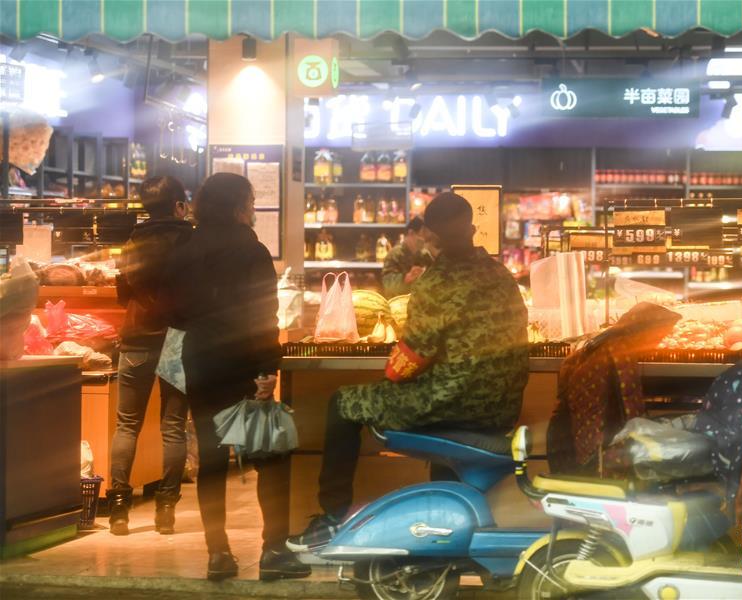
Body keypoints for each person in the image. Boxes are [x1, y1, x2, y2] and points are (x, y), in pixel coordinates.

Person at [288, 192, 529, 551]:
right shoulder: (502, 276)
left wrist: (389, 376)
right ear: (472, 228)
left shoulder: (435, 283)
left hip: (449, 404)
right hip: (502, 409)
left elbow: (410, 359)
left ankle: (332, 517)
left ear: (430, 236)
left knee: (343, 403)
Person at [164, 173, 309, 581]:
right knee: (271, 455)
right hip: (242, 364)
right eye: (250, 202)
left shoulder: (184, 249)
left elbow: (174, 314)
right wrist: (267, 369)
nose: (253, 210)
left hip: (199, 362)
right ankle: (274, 551)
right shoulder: (251, 250)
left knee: (212, 460)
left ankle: (218, 554)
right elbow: (263, 316)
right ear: (238, 206)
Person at [108, 176, 193, 536]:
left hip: (137, 338)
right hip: (178, 340)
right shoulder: (192, 241)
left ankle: (118, 511)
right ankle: (166, 510)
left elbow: (122, 295)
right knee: (173, 427)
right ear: (179, 206)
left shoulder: (132, 242)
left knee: (127, 425)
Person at [381, 216, 432, 297]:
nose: (424, 240)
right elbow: (387, 283)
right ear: (411, 233)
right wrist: (406, 278)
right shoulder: (395, 254)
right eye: (422, 235)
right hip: (399, 301)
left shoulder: (426, 255)